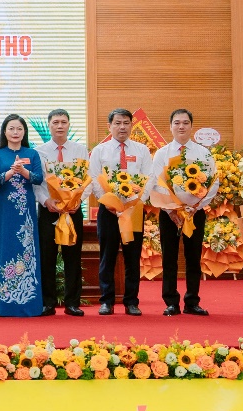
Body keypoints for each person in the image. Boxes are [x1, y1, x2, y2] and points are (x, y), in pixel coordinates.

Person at [148, 108, 219, 317]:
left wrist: (195, 206)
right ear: (170, 126)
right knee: (169, 257)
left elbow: (213, 182)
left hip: (195, 213)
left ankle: (192, 301)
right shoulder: (162, 153)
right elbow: (155, 183)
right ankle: (171, 302)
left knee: (193, 257)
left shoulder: (203, 153)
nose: (181, 126)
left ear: (191, 126)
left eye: (185, 123)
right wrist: (171, 208)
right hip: (169, 214)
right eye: (177, 123)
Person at [89, 108, 153, 316]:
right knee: (107, 256)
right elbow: (94, 178)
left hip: (134, 210)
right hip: (108, 211)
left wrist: (137, 201)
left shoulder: (142, 150)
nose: (122, 127)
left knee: (132, 257)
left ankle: (131, 301)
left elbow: (149, 177)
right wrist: (107, 201)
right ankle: (106, 301)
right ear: (109, 126)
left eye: (126, 123)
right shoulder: (100, 151)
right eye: (117, 123)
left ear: (132, 125)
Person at [34, 109, 90, 316]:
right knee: (47, 257)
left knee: (72, 257)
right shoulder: (38, 152)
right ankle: (47, 303)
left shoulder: (80, 150)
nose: (59, 126)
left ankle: (72, 303)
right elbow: (36, 183)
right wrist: (46, 201)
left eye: (63, 122)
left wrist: (78, 201)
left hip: (73, 211)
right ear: (49, 125)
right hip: (48, 210)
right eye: (55, 122)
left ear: (69, 125)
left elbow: (89, 179)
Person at [0, 114, 46, 317]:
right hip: (4, 210)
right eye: (11, 128)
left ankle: (29, 303)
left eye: (19, 129)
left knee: (26, 249)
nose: (15, 132)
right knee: (5, 248)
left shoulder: (32, 153)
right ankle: (5, 304)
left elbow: (38, 178)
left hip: (25, 211)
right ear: (4, 132)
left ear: (24, 132)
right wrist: (11, 173)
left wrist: (23, 172)